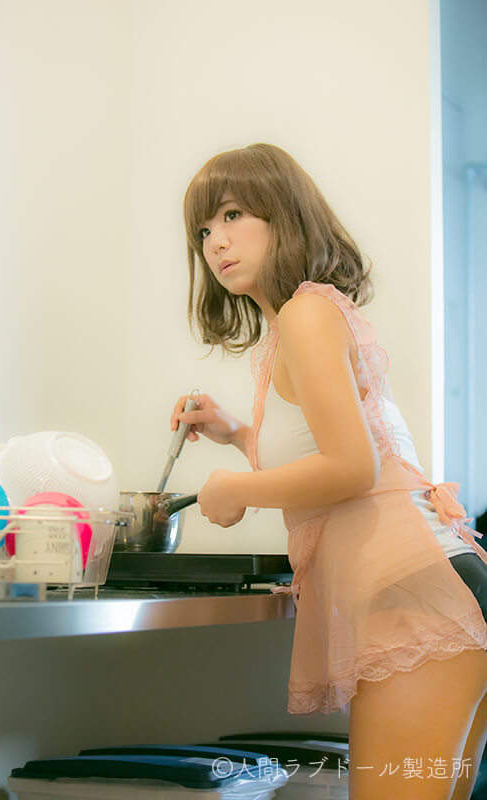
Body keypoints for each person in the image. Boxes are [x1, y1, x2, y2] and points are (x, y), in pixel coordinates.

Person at [170, 143, 487, 800]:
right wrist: (236, 434)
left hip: (417, 598)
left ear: (283, 214)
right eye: (203, 230)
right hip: (435, 585)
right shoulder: (303, 320)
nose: (215, 242)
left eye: (232, 215)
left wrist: (235, 489)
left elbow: (350, 467)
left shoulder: (306, 314)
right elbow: (332, 450)